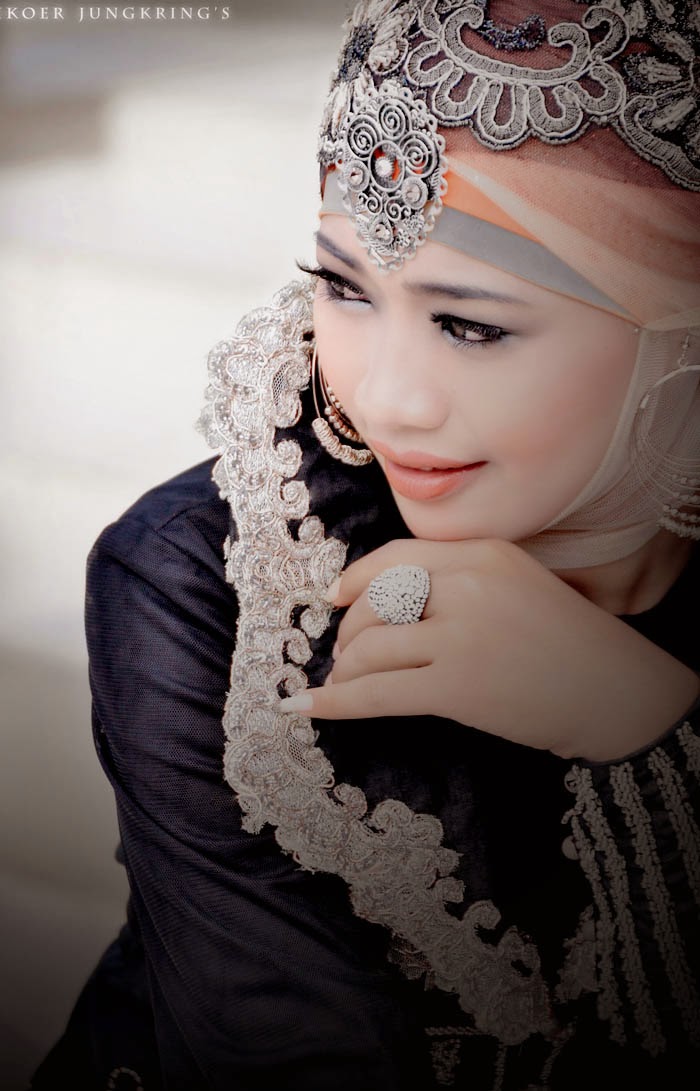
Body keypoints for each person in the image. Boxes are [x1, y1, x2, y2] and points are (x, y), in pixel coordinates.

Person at [31, 1, 700, 1088]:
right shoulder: (218, 578)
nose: (386, 399)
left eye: (471, 325)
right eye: (343, 287)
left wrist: (646, 726)